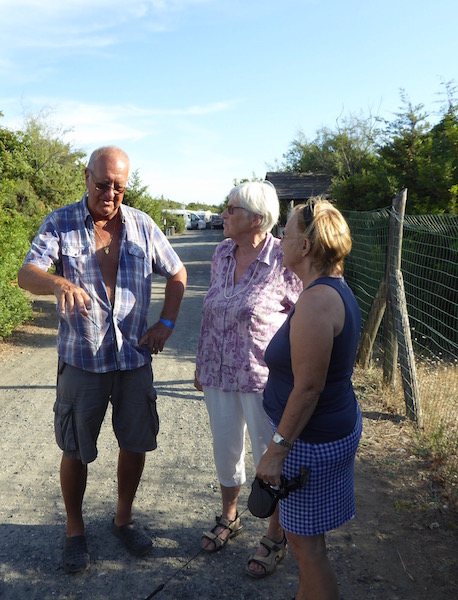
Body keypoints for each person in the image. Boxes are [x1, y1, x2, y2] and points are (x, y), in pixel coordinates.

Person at [17, 146, 187, 574]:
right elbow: (26, 273)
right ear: (86, 176)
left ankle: (123, 518)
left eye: (119, 187)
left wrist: (166, 323)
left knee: (135, 443)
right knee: (74, 448)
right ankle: (75, 530)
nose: (110, 193)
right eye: (102, 183)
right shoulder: (60, 222)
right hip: (82, 360)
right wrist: (56, 282)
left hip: (134, 360)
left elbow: (178, 273)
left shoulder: (143, 226)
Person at [194, 181, 302, 579]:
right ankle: (229, 516)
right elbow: (212, 309)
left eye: (230, 209)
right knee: (226, 451)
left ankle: (276, 534)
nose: (223, 214)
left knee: (268, 459)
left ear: (256, 218)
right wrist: (201, 364)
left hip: (263, 380)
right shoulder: (222, 252)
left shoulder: (284, 258)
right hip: (218, 374)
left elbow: (304, 315)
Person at [255, 197, 362, 600]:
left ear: (305, 247)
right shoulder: (327, 290)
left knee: (307, 548)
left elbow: (309, 388)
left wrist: (277, 450)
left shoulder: (317, 302)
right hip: (322, 433)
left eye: (286, 232)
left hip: (308, 443)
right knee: (307, 541)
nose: (279, 238)